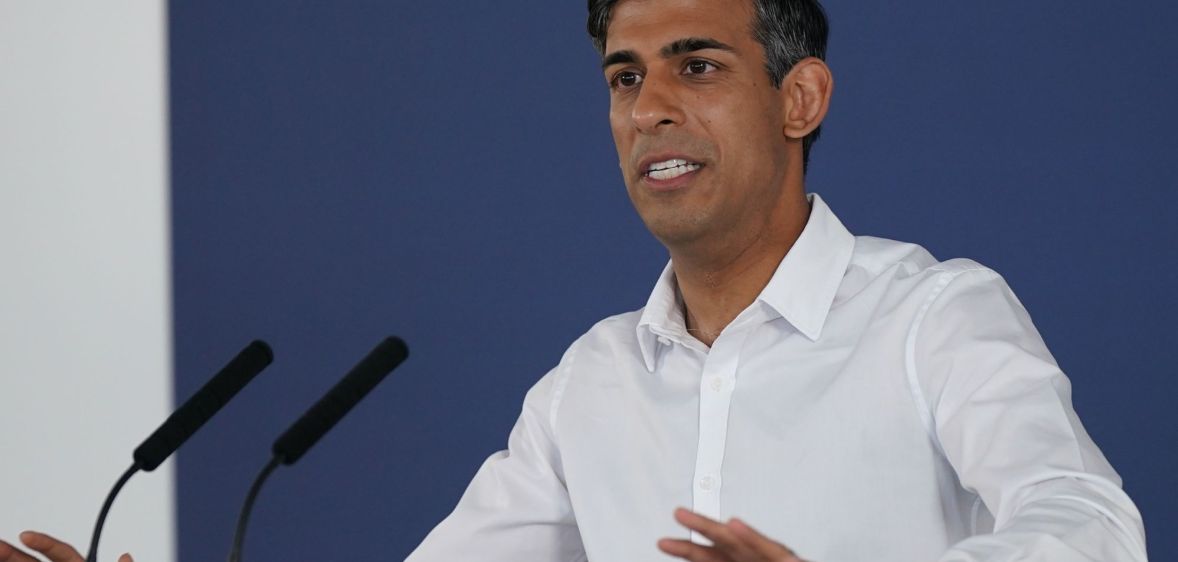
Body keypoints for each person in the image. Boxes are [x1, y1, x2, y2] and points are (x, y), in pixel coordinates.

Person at [1, 0, 1148, 561]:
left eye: (695, 66)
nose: (648, 106)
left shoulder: (929, 316)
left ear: (800, 99)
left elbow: (1088, 526)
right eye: (623, 75)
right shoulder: (590, 383)